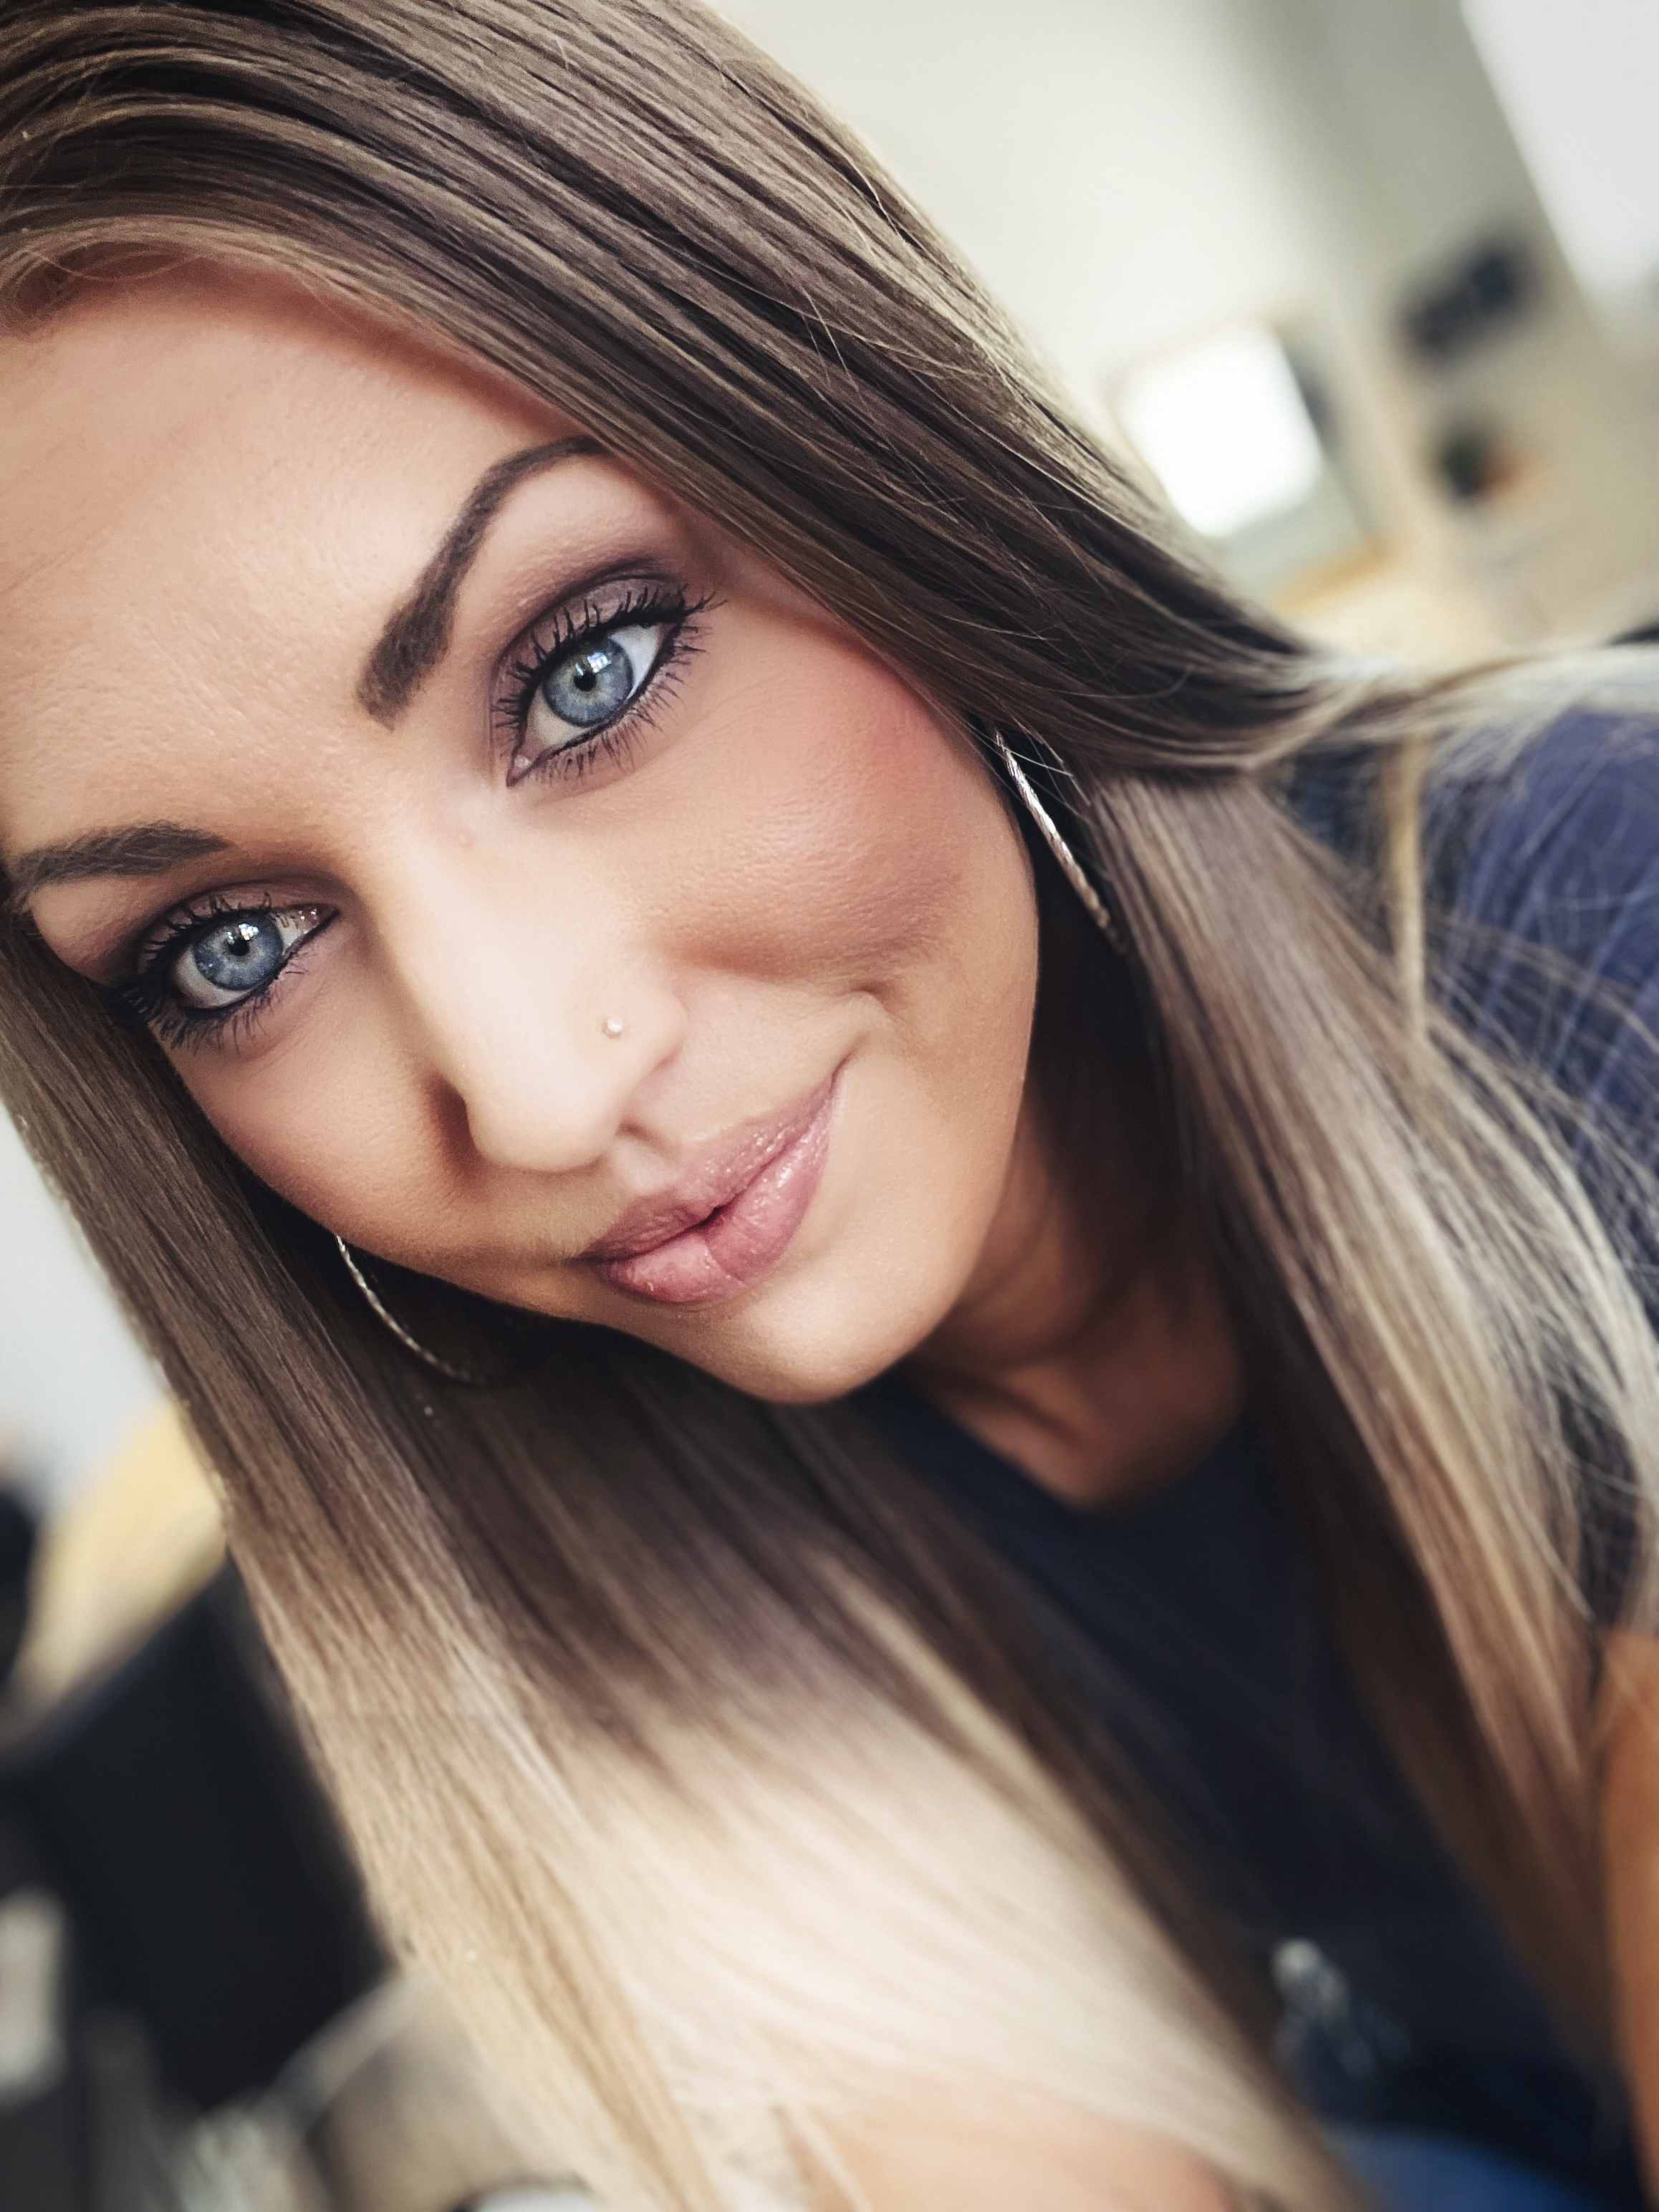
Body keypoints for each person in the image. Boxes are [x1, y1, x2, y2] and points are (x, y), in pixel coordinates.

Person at [0, 4, 1656, 2207]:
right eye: (231, 951)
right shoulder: (570, 1536)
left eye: (587, 670)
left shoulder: (1591, 912)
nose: (533, 1090)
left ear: (900, 490)